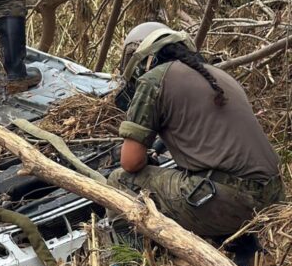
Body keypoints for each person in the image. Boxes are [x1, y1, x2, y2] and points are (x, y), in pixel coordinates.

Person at [108, 22, 284, 244]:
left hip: (231, 202)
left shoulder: (154, 80)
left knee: (118, 181)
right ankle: (242, 248)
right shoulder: (216, 75)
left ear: (144, 59)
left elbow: (130, 162)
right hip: (273, 198)